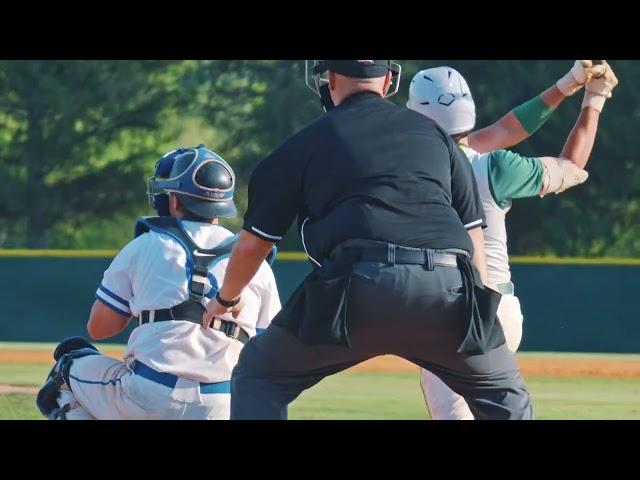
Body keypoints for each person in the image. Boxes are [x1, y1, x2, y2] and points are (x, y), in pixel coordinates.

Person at [204, 60, 534, 420]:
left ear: (327, 78)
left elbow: (254, 244)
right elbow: (474, 239)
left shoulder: (304, 144)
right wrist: (479, 319)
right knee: (504, 392)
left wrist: (226, 298)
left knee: (259, 374)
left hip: (355, 292)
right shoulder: (438, 139)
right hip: (446, 291)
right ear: (390, 78)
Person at [407, 61, 618, 419]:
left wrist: (566, 84)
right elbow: (570, 165)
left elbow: (505, 128)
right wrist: (591, 100)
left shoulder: (405, 167)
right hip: (501, 313)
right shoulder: (493, 167)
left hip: (444, 316)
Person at [36, 145, 281, 420]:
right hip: (225, 405)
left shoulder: (145, 245)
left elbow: (99, 328)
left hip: (149, 395)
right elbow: (269, 352)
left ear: (174, 201)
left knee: (67, 365)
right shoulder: (253, 262)